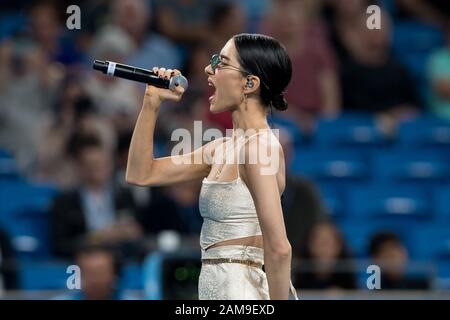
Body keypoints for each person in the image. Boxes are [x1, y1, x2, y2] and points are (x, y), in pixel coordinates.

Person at [126, 33, 297, 300]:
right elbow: (140, 173)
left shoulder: (261, 147)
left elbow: (279, 249)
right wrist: (151, 103)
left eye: (222, 63)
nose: (209, 69)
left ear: (249, 83)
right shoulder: (220, 148)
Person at [294, 221, 357, 291]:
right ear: (309, 245)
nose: (324, 250)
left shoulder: (348, 274)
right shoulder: (300, 273)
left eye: (328, 243)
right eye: (320, 243)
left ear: (338, 247)